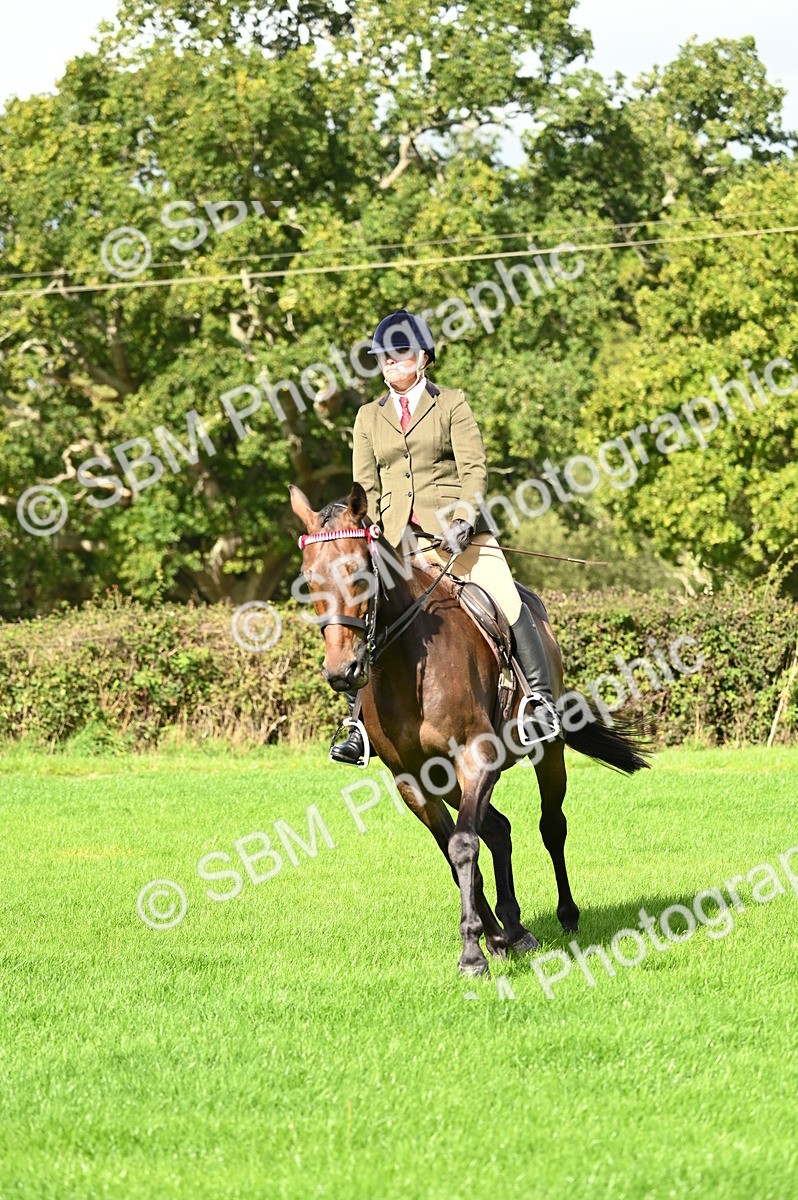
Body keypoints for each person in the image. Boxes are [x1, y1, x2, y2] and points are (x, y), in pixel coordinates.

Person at [330, 308, 562, 765]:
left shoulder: (451, 403)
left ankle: (539, 702)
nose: (389, 364)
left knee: (508, 599)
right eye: (382, 358)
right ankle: (358, 725)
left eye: (398, 356)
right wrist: (371, 533)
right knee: (362, 611)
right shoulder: (366, 417)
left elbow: (474, 468)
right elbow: (366, 484)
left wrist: (464, 518)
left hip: (456, 533)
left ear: (422, 358)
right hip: (396, 539)